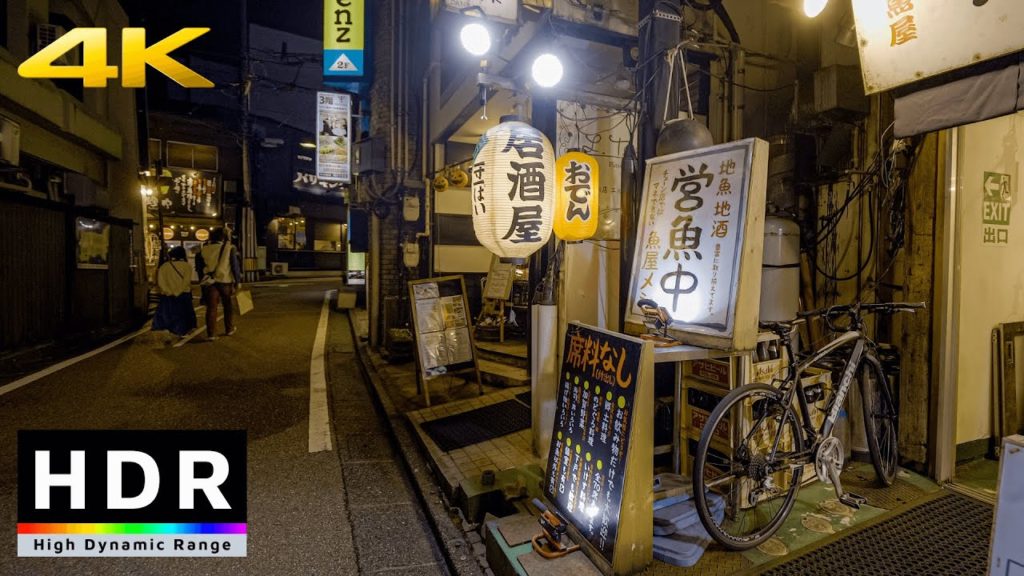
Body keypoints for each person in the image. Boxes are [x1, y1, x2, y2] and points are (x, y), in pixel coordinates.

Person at [197, 228, 242, 340]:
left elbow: (200, 267)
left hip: (210, 282)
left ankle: (211, 334)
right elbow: (234, 266)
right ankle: (229, 329)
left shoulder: (204, 249)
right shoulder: (230, 248)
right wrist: (238, 281)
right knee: (227, 306)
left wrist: (202, 281)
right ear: (223, 237)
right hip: (225, 281)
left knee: (211, 308)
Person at [152, 246, 197, 340]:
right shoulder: (186, 266)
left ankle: (168, 332)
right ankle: (182, 332)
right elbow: (186, 281)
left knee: (167, 314)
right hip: (183, 294)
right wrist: (177, 292)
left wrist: (167, 291)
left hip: (167, 295)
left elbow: (160, 281)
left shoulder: (164, 266)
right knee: (183, 314)